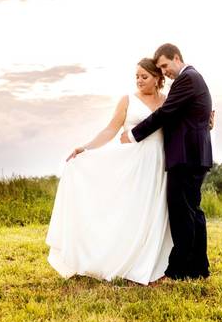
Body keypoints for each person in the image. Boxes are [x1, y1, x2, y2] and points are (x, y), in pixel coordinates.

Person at [45, 58, 173, 285]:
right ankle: (125, 260)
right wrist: (86, 146)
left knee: (155, 211)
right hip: (133, 163)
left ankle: (153, 263)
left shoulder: (167, 101)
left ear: (157, 78)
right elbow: (111, 129)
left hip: (159, 163)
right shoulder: (127, 100)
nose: (139, 81)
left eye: (144, 76)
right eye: (136, 76)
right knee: (131, 211)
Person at [120, 43, 213, 280]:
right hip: (195, 155)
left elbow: (165, 114)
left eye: (164, 65)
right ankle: (198, 267)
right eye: (160, 68)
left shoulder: (187, 79)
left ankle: (180, 270)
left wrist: (133, 134)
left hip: (185, 156)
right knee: (192, 211)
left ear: (177, 58)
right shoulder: (193, 78)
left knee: (183, 213)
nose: (164, 72)